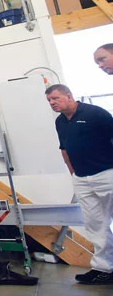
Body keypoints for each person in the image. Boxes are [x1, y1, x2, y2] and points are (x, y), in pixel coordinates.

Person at [45, 84, 113, 285]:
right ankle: (104, 268)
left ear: (68, 96)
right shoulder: (60, 122)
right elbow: (64, 149)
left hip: (106, 174)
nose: (52, 103)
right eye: (49, 100)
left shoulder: (95, 114)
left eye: (55, 98)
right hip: (82, 179)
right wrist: (73, 174)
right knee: (95, 224)